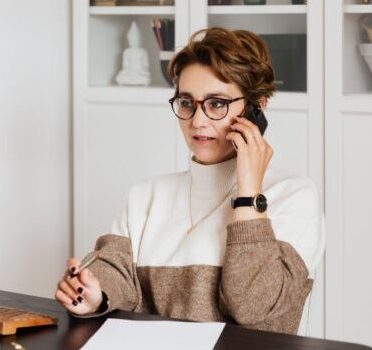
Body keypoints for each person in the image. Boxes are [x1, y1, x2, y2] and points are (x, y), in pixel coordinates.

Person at [55, 27, 325, 335]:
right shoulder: (146, 195)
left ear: (256, 109)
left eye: (217, 103)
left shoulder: (294, 195)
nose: (198, 121)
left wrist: (249, 191)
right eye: (187, 103)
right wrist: (95, 294)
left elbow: (253, 306)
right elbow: (115, 269)